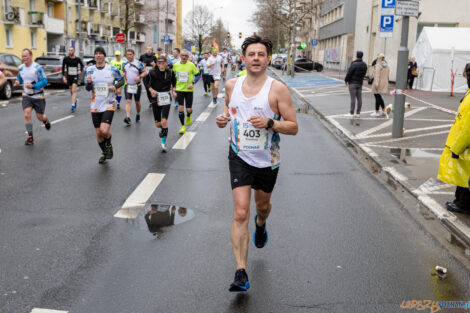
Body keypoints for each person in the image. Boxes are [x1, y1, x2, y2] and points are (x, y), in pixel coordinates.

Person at [215, 35, 298, 292]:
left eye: (261, 54)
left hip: (267, 160)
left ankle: (261, 224)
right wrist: (223, 118)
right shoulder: (232, 85)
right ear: (243, 58)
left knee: (262, 207)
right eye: (251, 54)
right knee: (240, 213)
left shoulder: (277, 89)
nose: (256, 58)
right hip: (239, 156)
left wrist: (271, 123)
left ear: (268, 59)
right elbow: (230, 109)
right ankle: (240, 271)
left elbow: (293, 126)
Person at [85, 46, 124, 164]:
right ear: (94, 56)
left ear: (104, 56)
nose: (98, 55)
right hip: (95, 104)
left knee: (104, 130)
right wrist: (89, 82)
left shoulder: (111, 69)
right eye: (96, 53)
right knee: (98, 133)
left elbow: (122, 80)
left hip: (109, 103)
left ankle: (109, 146)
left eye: (100, 53)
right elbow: (87, 88)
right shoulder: (90, 70)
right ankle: (104, 152)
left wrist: (115, 86)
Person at [438, 90, 470, 213]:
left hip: (465, 147)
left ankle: (462, 204)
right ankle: (460, 202)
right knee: (463, 177)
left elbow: (467, 130)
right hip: (463, 145)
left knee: (465, 178)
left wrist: (457, 148)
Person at [15, 48, 51, 145]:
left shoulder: (37, 68)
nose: (24, 58)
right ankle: (30, 137)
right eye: (22, 56)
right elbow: (20, 78)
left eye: (25, 56)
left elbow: (44, 81)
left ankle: (45, 120)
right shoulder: (21, 68)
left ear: (31, 56)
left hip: (38, 96)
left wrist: (34, 86)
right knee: (27, 114)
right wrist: (18, 81)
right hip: (27, 95)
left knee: (40, 117)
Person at [145, 55, 177, 152]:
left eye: (163, 63)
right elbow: (146, 82)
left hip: (166, 97)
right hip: (156, 97)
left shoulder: (170, 72)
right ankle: (163, 129)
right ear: (157, 64)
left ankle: (163, 144)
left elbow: (174, 82)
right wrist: (151, 90)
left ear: (166, 63)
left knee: (164, 121)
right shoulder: (152, 72)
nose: (161, 65)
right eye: (159, 63)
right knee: (158, 124)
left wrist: (174, 91)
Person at [172, 49, 200, 134]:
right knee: (180, 108)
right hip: (179, 89)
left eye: (185, 56)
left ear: (188, 57)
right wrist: (173, 89)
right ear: (180, 56)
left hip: (188, 90)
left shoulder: (191, 65)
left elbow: (198, 75)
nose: (184, 57)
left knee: (188, 109)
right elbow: (173, 78)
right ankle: (182, 126)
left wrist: (193, 83)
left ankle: (188, 115)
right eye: (182, 55)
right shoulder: (176, 65)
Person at [123, 49, 147, 125]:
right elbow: (123, 71)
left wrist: (139, 77)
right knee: (128, 101)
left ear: (133, 55)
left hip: (137, 85)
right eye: (127, 54)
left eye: (130, 54)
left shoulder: (138, 63)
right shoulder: (124, 63)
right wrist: (122, 73)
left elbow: (145, 72)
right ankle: (128, 117)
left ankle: (138, 113)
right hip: (128, 85)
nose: (129, 56)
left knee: (137, 102)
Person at [344, 51, 367, 118]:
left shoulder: (354, 64)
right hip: (360, 83)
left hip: (353, 83)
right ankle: (358, 113)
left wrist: (346, 80)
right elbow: (364, 74)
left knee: (353, 98)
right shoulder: (364, 64)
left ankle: (351, 113)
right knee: (359, 98)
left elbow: (349, 73)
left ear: (356, 56)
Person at [62, 46, 84, 112]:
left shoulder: (77, 59)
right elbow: (63, 68)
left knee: (74, 90)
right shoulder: (65, 59)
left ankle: (73, 104)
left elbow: (82, 65)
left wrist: (80, 70)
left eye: (71, 50)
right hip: (69, 76)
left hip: (75, 75)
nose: (70, 51)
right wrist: (63, 76)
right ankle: (75, 100)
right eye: (69, 50)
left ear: (74, 51)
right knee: (71, 90)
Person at [371, 53, 389, 117]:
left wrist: (376, 84)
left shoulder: (378, 65)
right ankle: (384, 111)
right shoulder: (386, 65)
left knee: (377, 97)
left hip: (378, 84)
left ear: (378, 58)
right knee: (381, 98)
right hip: (384, 83)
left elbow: (377, 76)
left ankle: (377, 111)